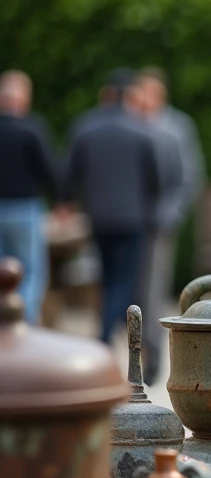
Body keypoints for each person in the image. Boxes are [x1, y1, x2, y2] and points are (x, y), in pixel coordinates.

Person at [63, 70, 161, 345]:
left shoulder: (85, 127)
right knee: (124, 280)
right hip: (132, 218)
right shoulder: (142, 131)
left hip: (98, 216)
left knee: (107, 277)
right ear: (128, 96)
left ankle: (111, 329)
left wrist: (66, 202)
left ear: (105, 95)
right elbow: (154, 181)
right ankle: (108, 334)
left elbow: (70, 174)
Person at [135, 67, 204, 384]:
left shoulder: (177, 126)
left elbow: (190, 175)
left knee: (152, 291)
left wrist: (171, 214)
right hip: (127, 222)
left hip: (159, 223)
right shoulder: (129, 123)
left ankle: (152, 360)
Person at [0, 70, 58, 323]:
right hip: (25, 209)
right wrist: (60, 202)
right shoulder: (33, 129)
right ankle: (24, 324)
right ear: (24, 99)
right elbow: (50, 170)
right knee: (31, 273)